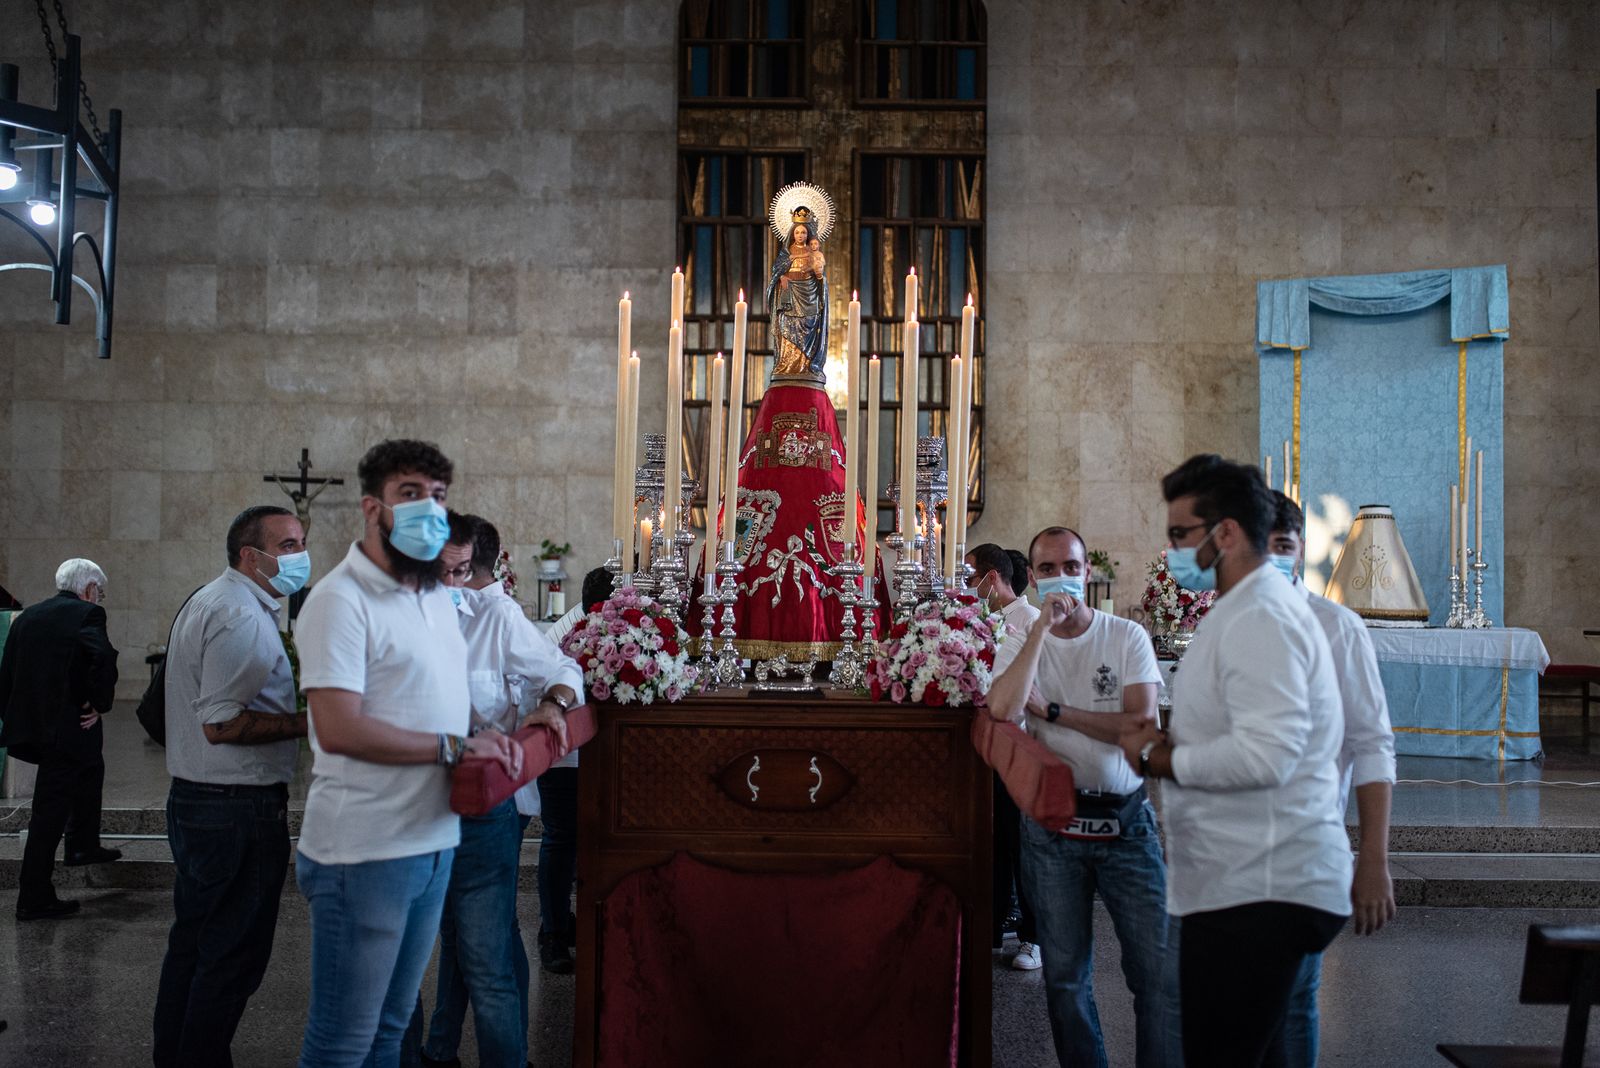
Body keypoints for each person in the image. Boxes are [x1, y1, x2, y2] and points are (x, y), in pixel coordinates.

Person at [294, 440, 521, 1068]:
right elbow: (339, 728)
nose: (430, 509)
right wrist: (456, 745)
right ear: (374, 507)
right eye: (411, 495)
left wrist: (488, 729)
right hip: (365, 849)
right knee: (343, 1039)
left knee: (393, 1028)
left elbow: (440, 694)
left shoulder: (430, 595)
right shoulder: (340, 600)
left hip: (433, 838)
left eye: (440, 496)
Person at [1120, 455, 1350, 1068]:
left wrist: (1157, 755)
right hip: (1245, 880)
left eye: (1179, 535)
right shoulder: (1245, 608)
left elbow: (1266, 754)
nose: (1172, 551)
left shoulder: (1260, 615)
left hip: (1262, 889)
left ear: (1224, 533)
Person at [987, 527, 1176, 1068]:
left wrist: (1053, 712)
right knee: (1066, 979)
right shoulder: (1021, 640)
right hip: (1052, 831)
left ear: (1085, 573)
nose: (1059, 578)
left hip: (1125, 824)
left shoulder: (1125, 637)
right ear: (1033, 578)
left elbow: (1138, 727)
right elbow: (1001, 710)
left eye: (1069, 566)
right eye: (1045, 570)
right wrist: (1039, 634)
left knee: (1155, 975)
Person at [419, 513, 580, 1068]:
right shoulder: (427, 609)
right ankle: (441, 1047)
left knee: (488, 941)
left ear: (473, 567)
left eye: (453, 566)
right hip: (428, 800)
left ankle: (505, 1055)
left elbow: (562, 670)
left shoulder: (501, 616)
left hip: (490, 803)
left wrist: (552, 704)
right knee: (456, 932)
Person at [152, 505, 311, 1067]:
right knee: (230, 958)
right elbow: (220, 723)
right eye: (288, 545)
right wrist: (305, 722)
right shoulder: (240, 614)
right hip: (234, 807)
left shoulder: (214, 598)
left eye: (299, 543)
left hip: (202, 801)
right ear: (251, 554)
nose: (299, 555)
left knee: (194, 946)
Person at [1267, 491, 1396, 1066]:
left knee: (1292, 1001)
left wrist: (1372, 859)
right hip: (1230, 852)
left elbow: (1371, 744)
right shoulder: (1225, 625)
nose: (1270, 557)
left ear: (1298, 552)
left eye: (1282, 546)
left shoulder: (1335, 626)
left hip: (1303, 848)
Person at [0, 558, 120, 920]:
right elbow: (103, 658)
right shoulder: (87, 614)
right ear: (88, 589)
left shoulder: (30, 616)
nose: (99, 598)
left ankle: (83, 844)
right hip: (69, 727)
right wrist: (99, 704)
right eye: (99, 591)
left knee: (90, 769)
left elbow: (7, 671)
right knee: (48, 814)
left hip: (40, 727)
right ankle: (34, 897)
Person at [966, 542, 1042, 969]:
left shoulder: (1029, 621)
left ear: (992, 577)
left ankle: (1033, 937)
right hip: (991, 744)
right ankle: (994, 928)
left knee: (1022, 846)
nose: (968, 584)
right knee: (995, 841)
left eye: (971, 574)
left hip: (1021, 743)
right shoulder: (984, 620)